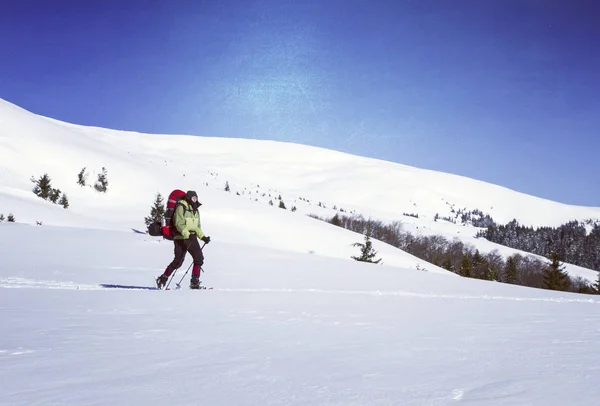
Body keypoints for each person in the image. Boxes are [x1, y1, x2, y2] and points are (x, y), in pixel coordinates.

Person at [155, 190, 210, 289]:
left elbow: (197, 227)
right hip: (180, 237)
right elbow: (178, 223)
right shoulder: (181, 207)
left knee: (199, 258)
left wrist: (203, 237)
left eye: (196, 198)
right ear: (188, 198)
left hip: (191, 237)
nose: (195, 200)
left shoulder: (195, 210)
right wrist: (186, 234)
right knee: (178, 262)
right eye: (193, 198)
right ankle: (162, 279)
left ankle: (194, 282)